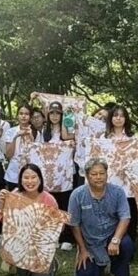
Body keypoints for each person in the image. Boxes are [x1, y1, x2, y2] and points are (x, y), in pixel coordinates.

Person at [69, 158, 134, 276]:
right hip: (91, 243)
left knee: (126, 244)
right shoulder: (77, 195)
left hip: (112, 237)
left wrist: (116, 240)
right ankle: (102, 265)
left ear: (107, 174)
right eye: (94, 174)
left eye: (102, 173)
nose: (98, 177)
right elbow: (74, 224)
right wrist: (82, 249)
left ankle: (116, 274)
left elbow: (125, 217)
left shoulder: (118, 192)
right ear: (87, 176)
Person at [0, 164, 60, 276]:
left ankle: (52, 263)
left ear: (40, 179)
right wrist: (1, 203)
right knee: (22, 275)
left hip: (41, 245)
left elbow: (59, 227)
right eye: (26, 178)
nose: (30, 181)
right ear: (20, 180)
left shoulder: (48, 199)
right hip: (20, 243)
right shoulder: (14, 195)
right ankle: (23, 264)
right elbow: (0, 219)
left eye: (33, 177)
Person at [103, 104, 138, 244]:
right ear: (111, 118)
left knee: (129, 216)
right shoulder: (103, 138)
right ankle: (109, 245)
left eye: (122, 116)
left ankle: (129, 247)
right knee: (110, 217)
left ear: (126, 119)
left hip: (129, 185)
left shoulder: (134, 138)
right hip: (110, 183)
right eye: (115, 115)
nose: (118, 118)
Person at [42, 101, 77, 251]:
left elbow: (69, 138)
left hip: (65, 174)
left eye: (58, 113)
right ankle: (53, 235)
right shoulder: (44, 132)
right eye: (52, 113)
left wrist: (66, 120)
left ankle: (67, 237)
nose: (55, 116)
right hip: (49, 174)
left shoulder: (69, 127)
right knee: (51, 206)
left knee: (65, 205)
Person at [2, 104, 35, 191]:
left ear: (30, 117)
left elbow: (36, 155)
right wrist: (16, 136)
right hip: (13, 173)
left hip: (30, 174)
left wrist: (31, 137)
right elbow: (8, 155)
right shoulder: (10, 131)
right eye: (21, 113)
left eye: (26, 114)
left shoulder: (36, 132)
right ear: (17, 116)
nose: (23, 116)